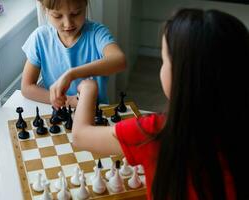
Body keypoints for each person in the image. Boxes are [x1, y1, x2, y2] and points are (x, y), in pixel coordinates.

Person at [72, 8, 249, 200]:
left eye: (164, 60)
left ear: (181, 76)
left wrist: (88, 89)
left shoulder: (155, 133)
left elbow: (80, 136)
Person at [21, 0, 126, 108]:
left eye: (75, 14)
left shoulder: (97, 34)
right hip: (60, 112)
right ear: (45, 9)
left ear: (85, 4)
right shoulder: (40, 38)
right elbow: (27, 87)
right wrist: (68, 101)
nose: (68, 24)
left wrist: (72, 74)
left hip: (95, 112)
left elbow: (119, 60)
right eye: (57, 16)